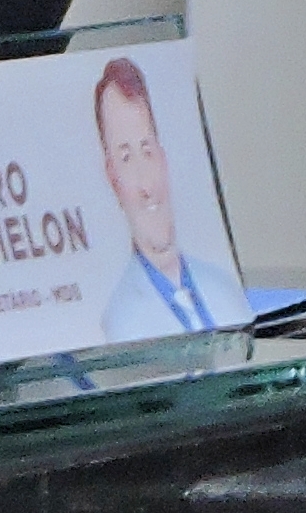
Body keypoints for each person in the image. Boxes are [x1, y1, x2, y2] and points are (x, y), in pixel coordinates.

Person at [87, 57, 240, 344]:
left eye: (147, 151)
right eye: (126, 158)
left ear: (163, 156)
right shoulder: (121, 323)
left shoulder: (225, 289)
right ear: (112, 178)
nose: (146, 185)